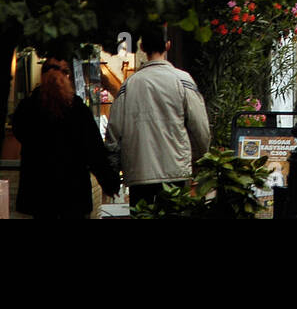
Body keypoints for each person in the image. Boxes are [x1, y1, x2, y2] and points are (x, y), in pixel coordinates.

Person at [104, 22, 212, 208]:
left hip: (139, 173)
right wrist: (202, 158)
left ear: (142, 48)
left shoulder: (129, 86)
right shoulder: (183, 80)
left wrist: (113, 171)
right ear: (168, 45)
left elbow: (113, 133)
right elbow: (200, 128)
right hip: (175, 172)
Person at [11, 56, 120, 218]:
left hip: (40, 194)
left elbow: (19, 132)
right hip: (73, 194)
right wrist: (109, 182)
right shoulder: (77, 110)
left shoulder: (28, 108)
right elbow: (94, 151)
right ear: (67, 77)